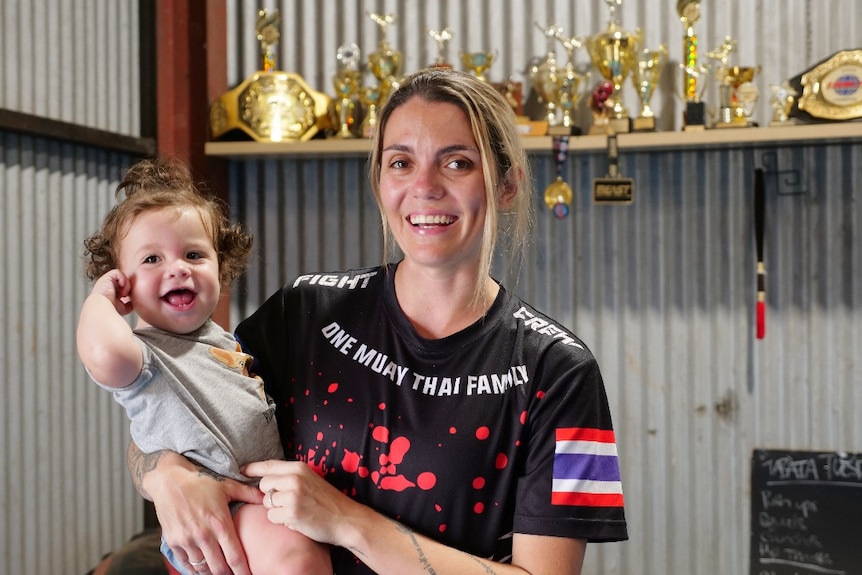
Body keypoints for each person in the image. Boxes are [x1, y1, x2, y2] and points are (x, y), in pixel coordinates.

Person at [129, 68, 628, 575]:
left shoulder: (559, 372)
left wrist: (347, 521)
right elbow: (169, 410)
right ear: (380, 182)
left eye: (457, 163)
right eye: (401, 163)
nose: (424, 187)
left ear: (506, 186)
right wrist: (164, 476)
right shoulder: (303, 313)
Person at [76, 157, 332, 575]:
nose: (177, 267)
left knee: (301, 548)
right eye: (151, 260)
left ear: (220, 265)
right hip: (222, 512)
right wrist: (101, 301)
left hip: (256, 502)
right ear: (123, 282)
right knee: (295, 555)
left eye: (194, 254)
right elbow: (103, 354)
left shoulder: (222, 342)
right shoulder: (146, 356)